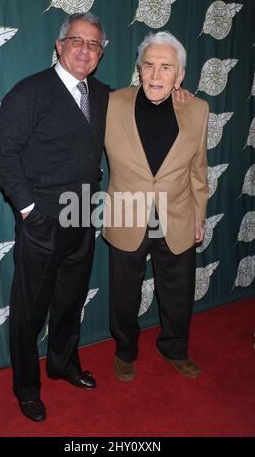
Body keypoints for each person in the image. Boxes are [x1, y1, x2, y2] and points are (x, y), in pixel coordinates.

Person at [0, 12, 110, 422]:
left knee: (70, 298)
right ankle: (26, 386)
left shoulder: (104, 94)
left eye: (94, 45)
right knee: (30, 309)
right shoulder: (30, 93)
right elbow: (2, 156)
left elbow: (144, 104)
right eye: (77, 40)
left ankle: (63, 363)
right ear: (59, 46)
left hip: (82, 215)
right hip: (41, 221)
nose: (85, 50)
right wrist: (29, 212)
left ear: (100, 54)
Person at [102, 31, 209, 382]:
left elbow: (198, 170)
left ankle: (174, 347)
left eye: (166, 68)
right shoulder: (112, 103)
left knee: (179, 290)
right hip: (126, 213)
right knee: (124, 292)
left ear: (179, 76)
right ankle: (125, 350)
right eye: (149, 65)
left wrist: (199, 216)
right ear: (139, 69)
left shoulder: (197, 108)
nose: (156, 75)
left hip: (177, 215)